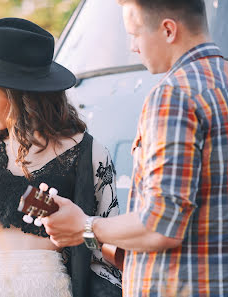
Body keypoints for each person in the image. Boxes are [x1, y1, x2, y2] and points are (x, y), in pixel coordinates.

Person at [41, 0, 228, 296]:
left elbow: (160, 224)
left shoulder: (174, 95)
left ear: (168, 30)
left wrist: (86, 226)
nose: (132, 46)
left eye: (135, 33)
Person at [0, 18, 122, 297]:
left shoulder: (89, 153)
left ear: (21, 97)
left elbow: (104, 242)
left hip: (49, 288)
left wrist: (73, 225)